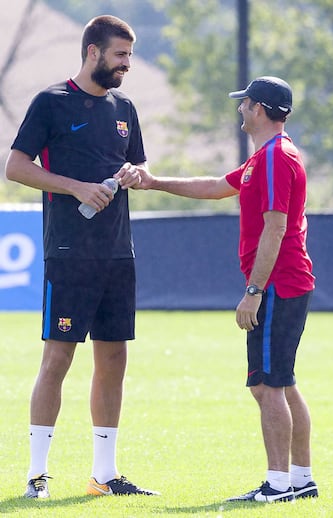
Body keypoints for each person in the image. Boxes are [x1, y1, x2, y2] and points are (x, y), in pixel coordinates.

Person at [123, 76, 319, 503]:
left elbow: (276, 226)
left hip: (278, 286)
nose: (241, 110)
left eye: (245, 103)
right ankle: (300, 479)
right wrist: (153, 182)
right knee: (280, 384)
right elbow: (215, 187)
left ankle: (279, 485)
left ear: (261, 109)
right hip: (287, 283)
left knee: (267, 386)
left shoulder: (273, 158)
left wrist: (254, 290)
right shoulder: (265, 158)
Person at [5, 15, 158, 499]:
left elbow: (138, 163)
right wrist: (76, 188)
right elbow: (15, 167)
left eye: (130, 56)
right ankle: (36, 475)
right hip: (69, 252)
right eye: (120, 55)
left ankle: (104, 476)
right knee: (58, 358)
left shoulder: (124, 107)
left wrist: (134, 174)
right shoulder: (51, 102)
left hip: (118, 251)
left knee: (114, 356)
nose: (127, 65)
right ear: (92, 52)